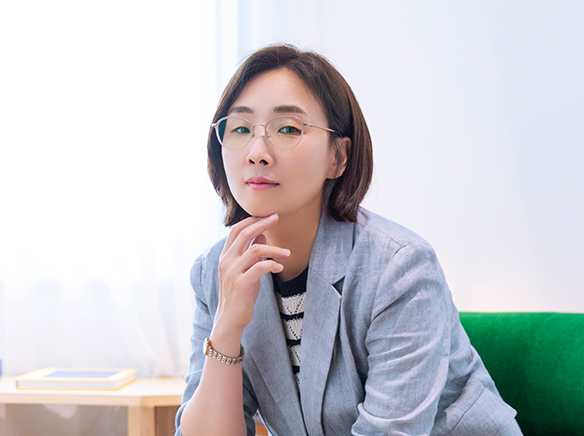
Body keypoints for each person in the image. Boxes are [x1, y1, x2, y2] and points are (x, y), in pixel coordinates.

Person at [175, 44, 523, 436]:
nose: (257, 152)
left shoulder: (399, 267)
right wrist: (226, 329)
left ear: (337, 158)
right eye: (240, 128)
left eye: (287, 129)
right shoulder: (214, 272)